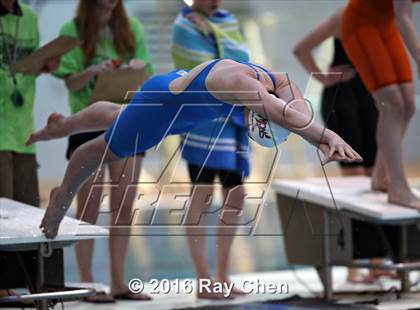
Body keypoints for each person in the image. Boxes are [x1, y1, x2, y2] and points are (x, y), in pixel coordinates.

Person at [28, 60, 362, 260]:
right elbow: (281, 112)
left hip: (177, 97)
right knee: (99, 151)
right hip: (164, 111)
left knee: (121, 115)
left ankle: (64, 125)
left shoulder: (270, 80)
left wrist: (308, 124)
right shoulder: (244, 87)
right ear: (258, 117)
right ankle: (62, 197)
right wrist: (326, 137)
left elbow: (291, 102)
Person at [53, 0, 153, 302]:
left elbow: (146, 75)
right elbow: (70, 83)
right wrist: (93, 71)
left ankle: (118, 281)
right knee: (89, 206)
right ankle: (88, 282)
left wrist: (137, 68)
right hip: (88, 122)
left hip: (126, 119)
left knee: (124, 204)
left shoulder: (130, 28)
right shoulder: (72, 30)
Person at [294, 8, 398, 284]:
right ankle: (353, 265)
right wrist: (324, 79)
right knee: (354, 182)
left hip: (368, 97)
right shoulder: (346, 16)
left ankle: (376, 263)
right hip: (342, 97)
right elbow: (301, 49)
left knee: (376, 181)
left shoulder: (385, 16)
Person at [171, 0, 251, 299]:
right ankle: (203, 280)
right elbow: (206, 72)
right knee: (201, 194)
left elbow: (242, 62)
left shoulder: (227, 20)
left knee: (236, 194)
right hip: (202, 116)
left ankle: (222, 275)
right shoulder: (184, 26)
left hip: (233, 116)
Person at [0, 0, 59, 300]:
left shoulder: (31, 18)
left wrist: (43, 66)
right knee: (2, 214)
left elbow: (25, 69)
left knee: (26, 213)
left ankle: (35, 287)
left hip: (22, 130)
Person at [341, 0, 420, 209]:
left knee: (409, 105)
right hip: (361, 26)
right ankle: (398, 188)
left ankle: (381, 176)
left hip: (387, 25)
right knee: (392, 104)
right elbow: (403, 14)